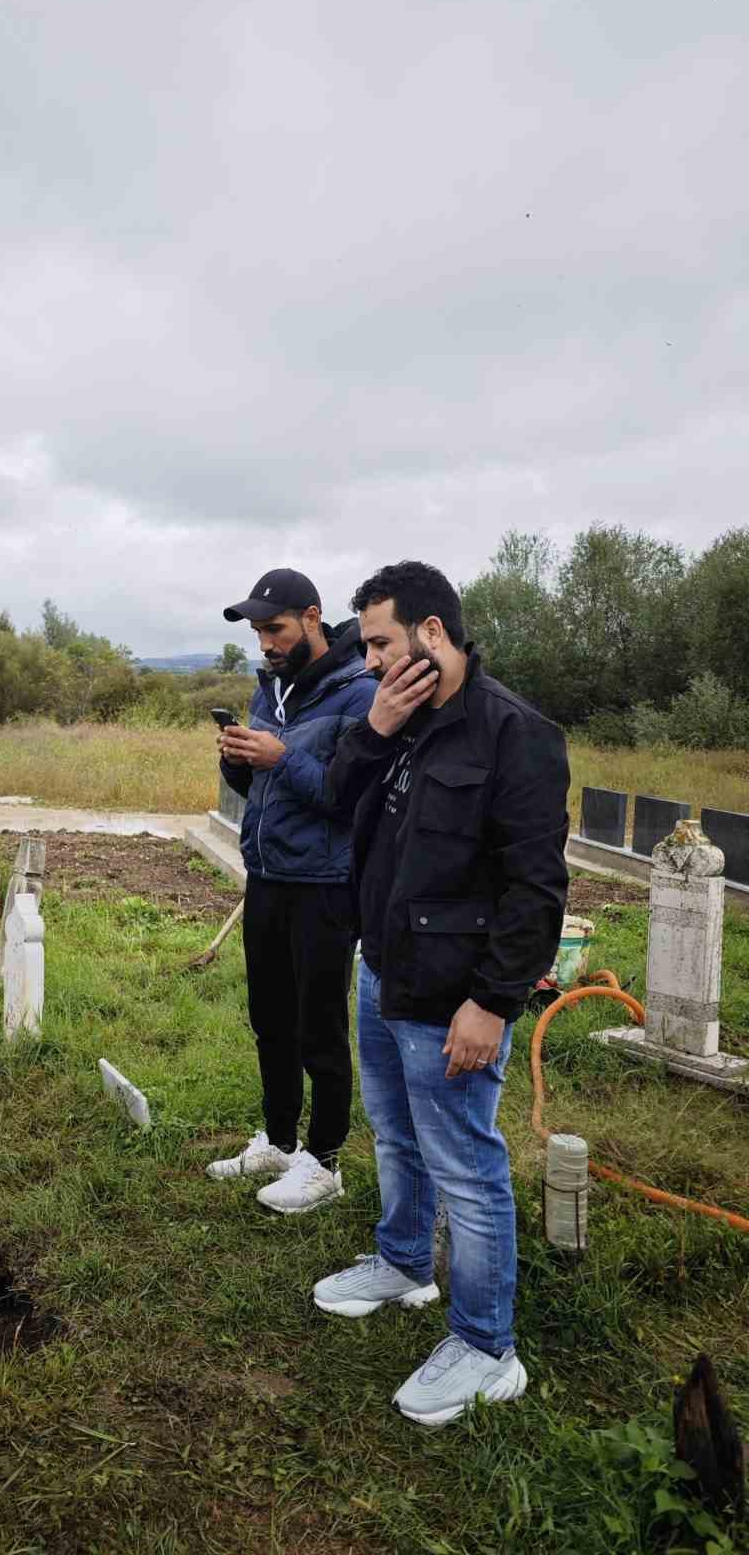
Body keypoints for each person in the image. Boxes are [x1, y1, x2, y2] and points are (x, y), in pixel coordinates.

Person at [312, 561, 569, 1426]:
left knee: (466, 1161)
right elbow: (336, 801)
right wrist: (374, 728)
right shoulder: (399, 721)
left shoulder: (515, 734)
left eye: (380, 642)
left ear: (431, 632)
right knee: (394, 1134)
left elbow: (536, 888)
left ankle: (487, 1346)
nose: (372, 661)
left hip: (454, 997)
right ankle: (403, 1263)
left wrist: (494, 1003)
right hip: (382, 972)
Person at [209, 568, 376, 1213]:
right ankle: (279, 1140)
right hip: (269, 875)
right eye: (258, 633)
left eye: (274, 629)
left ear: (312, 617)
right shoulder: (270, 691)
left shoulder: (359, 693)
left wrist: (281, 757)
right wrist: (238, 759)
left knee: (320, 1027)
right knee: (271, 1018)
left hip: (327, 884)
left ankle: (324, 1161)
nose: (266, 644)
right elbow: (264, 789)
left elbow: (348, 794)